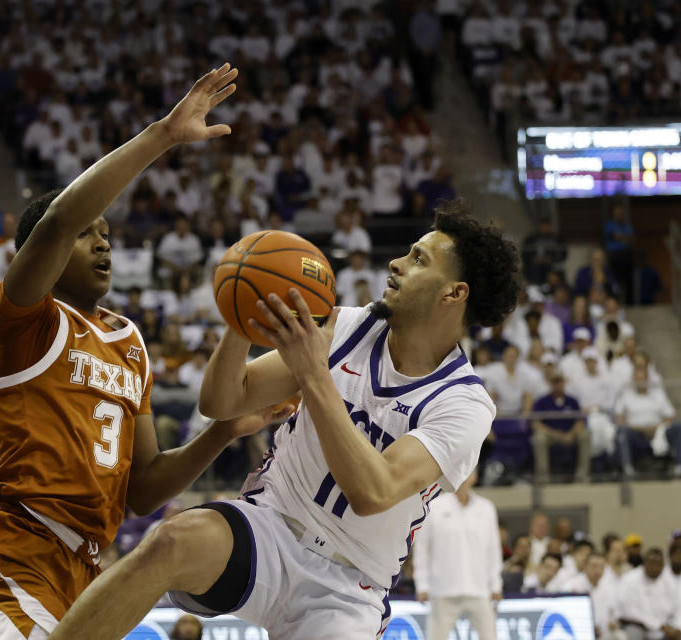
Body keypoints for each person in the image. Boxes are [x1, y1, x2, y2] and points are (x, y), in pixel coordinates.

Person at [49, 200, 522, 638]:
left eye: (419, 259)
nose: (397, 263)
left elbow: (373, 491)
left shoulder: (464, 404)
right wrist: (241, 321)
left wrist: (313, 373)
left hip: (348, 584)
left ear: (454, 293)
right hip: (270, 526)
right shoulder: (349, 326)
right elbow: (222, 400)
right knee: (171, 539)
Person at [0, 63, 289, 639]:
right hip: (20, 550)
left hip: (88, 565)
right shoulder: (22, 322)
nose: (103, 239)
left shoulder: (129, 341)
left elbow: (144, 490)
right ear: (49, 252)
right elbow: (60, 220)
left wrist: (223, 433)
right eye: (90, 233)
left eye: (107, 233)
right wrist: (162, 135)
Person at [413, 469, 502, 640]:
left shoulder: (486, 508)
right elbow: (422, 549)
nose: (465, 474)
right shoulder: (434, 507)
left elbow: (493, 549)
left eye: (470, 470)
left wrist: (496, 585)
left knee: (490, 636)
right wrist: (422, 584)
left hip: (479, 588)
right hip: (443, 589)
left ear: (475, 476)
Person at [530, 371, 591, 483]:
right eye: (555, 382)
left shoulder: (572, 401)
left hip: (570, 434)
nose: (558, 385)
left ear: (564, 383)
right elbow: (535, 423)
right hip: (551, 435)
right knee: (539, 438)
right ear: (551, 384)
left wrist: (571, 434)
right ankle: (543, 477)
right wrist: (556, 434)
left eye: (560, 382)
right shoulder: (542, 401)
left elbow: (580, 421)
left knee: (585, 435)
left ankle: (582, 475)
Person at [616, 548, 679, 640]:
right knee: (633, 633)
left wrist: (675, 627)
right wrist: (659, 626)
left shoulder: (669, 580)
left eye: (659, 564)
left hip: (664, 628)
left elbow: (676, 608)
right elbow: (629, 611)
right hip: (639, 626)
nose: (655, 567)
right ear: (644, 563)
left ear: (663, 566)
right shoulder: (630, 579)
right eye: (652, 563)